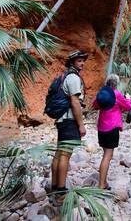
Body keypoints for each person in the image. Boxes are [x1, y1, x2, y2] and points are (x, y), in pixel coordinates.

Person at [50, 50, 88, 195]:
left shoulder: (65, 76)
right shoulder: (73, 78)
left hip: (62, 119)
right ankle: (60, 189)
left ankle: (54, 186)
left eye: (83, 60)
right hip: (69, 120)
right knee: (65, 154)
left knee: (59, 153)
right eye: (79, 61)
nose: (82, 63)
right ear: (72, 62)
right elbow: (75, 102)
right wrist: (81, 125)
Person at [91, 73, 131, 190]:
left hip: (101, 128)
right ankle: (101, 185)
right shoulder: (117, 94)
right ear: (116, 83)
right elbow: (128, 106)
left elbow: (94, 105)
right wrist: (130, 100)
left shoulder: (101, 94)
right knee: (107, 156)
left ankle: (104, 182)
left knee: (105, 154)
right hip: (112, 128)